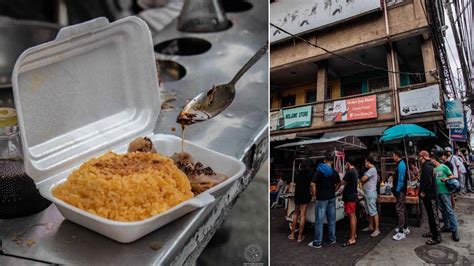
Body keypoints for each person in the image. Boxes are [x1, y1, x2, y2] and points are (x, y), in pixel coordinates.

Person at [308, 152, 341, 249]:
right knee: (331, 220)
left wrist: (314, 196)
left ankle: (317, 242)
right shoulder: (334, 172)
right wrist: (333, 190)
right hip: (331, 197)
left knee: (319, 220)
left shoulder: (319, 170)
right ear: (332, 162)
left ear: (325, 160)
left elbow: (313, 184)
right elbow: (339, 183)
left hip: (321, 198)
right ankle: (332, 239)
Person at [431, 150, 460, 242]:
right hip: (437, 193)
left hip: (445, 192)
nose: (431, 161)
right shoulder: (433, 170)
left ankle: (454, 231)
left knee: (449, 210)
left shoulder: (444, 167)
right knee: (442, 210)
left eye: (431, 159)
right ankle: (447, 226)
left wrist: (446, 178)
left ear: (435, 159)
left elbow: (453, 176)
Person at [418, 150, 442, 245]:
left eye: (420, 157)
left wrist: (423, 191)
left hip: (430, 195)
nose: (419, 159)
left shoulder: (427, 166)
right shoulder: (427, 166)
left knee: (433, 216)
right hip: (429, 195)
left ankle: (437, 237)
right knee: (430, 215)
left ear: (423, 157)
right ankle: (432, 232)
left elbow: (428, 182)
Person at [289, 159, 313, 243]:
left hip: (298, 194)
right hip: (305, 194)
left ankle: (292, 235)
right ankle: (299, 237)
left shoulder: (297, 173)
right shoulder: (310, 174)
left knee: (295, 214)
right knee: (303, 215)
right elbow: (311, 185)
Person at [360, 156, 381, 238]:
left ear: (368, 162)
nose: (365, 164)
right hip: (368, 193)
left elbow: (363, 179)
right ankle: (370, 226)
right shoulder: (370, 170)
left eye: (365, 162)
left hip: (371, 193)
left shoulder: (372, 170)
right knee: (369, 212)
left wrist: (362, 179)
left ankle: (377, 229)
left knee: (373, 211)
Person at [391, 151, 410, 241]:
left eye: (393, 155)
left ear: (397, 156)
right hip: (401, 190)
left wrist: (397, 190)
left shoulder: (401, 164)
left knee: (400, 210)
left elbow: (401, 179)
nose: (392, 157)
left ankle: (401, 232)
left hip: (401, 191)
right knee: (402, 209)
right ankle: (405, 228)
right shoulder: (400, 164)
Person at [341, 158, 358, 247]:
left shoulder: (350, 172)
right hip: (353, 196)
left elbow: (342, 182)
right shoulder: (355, 171)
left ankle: (352, 239)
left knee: (351, 216)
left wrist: (337, 186)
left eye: (346, 163)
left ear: (348, 163)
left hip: (350, 197)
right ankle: (354, 234)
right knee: (353, 215)